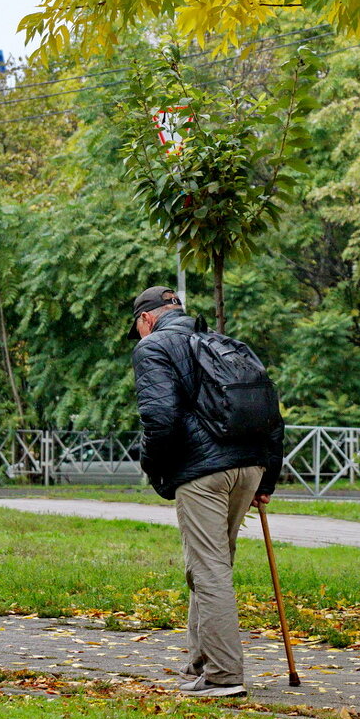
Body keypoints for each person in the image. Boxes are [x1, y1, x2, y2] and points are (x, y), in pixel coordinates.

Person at [129, 285, 284, 697]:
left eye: (138, 327)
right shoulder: (225, 344)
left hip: (204, 474)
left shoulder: (153, 347)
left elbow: (160, 419)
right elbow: (272, 411)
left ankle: (223, 676)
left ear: (146, 320)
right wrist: (266, 477)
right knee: (212, 565)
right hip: (248, 466)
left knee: (209, 569)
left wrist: (154, 468)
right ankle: (199, 664)